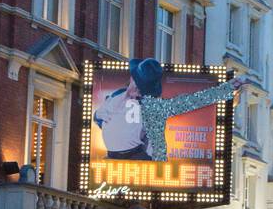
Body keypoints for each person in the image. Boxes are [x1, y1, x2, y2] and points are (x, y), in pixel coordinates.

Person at [92, 58, 249, 160]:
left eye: (140, 87)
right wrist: (126, 96)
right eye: (135, 82)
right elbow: (98, 117)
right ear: (132, 78)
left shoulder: (153, 106)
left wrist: (227, 89)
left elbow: (193, 101)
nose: (136, 89)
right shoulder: (116, 96)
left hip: (136, 158)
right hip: (112, 157)